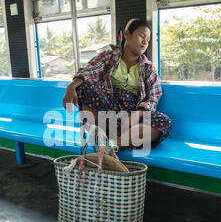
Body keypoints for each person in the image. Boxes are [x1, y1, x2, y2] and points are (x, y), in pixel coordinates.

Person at [63, 19, 172, 150]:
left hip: (133, 115)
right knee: (85, 87)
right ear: (127, 34)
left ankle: (112, 146)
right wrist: (72, 86)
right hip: (107, 113)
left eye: (148, 40)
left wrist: (135, 117)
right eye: (141, 36)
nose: (145, 42)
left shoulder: (148, 68)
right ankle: (121, 137)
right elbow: (89, 72)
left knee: (164, 122)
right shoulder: (108, 57)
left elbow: (152, 97)